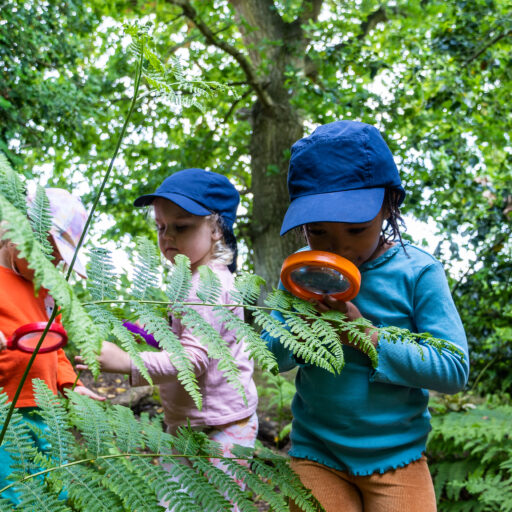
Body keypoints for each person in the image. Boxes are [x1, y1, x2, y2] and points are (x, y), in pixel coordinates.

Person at [263, 121, 469, 512]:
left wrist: (367, 338)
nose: (338, 247)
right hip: (315, 454)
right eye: (318, 231)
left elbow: (454, 368)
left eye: (357, 229)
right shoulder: (300, 274)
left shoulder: (418, 273)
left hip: (397, 459)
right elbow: (271, 356)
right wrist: (301, 330)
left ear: (389, 205)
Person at [76, 168, 258, 509]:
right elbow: (192, 341)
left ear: (217, 229)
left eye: (182, 225)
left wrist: (128, 362)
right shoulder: (191, 279)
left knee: (217, 504)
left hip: (222, 426)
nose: (167, 236)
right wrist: (153, 334)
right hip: (190, 420)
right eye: (161, 226)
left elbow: (193, 359)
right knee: (173, 501)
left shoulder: (206, 285)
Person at [0, 187, 104, 505]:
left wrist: (71, 383)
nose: (52, 265)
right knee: (15, 493)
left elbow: (55, 347)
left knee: (51, 489)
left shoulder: (48, 292)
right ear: (16, 230)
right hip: (5, 415)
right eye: (47, 253)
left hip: (47, 411)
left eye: (59, 261)